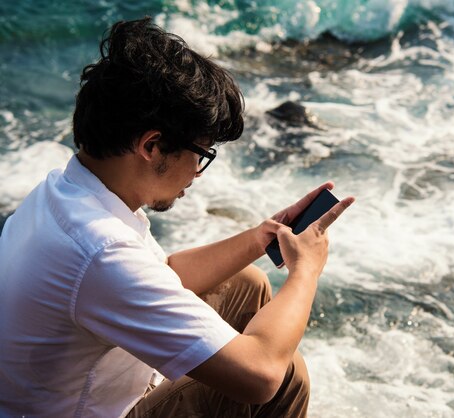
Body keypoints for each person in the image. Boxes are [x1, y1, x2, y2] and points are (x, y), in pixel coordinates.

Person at [0, 17, 354, 418]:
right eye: (200, 155)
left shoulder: (63, 192)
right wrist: (305, 271)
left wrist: (260, 237)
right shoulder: (100, 250)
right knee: (284, 376)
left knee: (245, 285)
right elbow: (261, 375)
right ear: (152, 146)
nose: (197, 174)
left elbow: (161, 273)